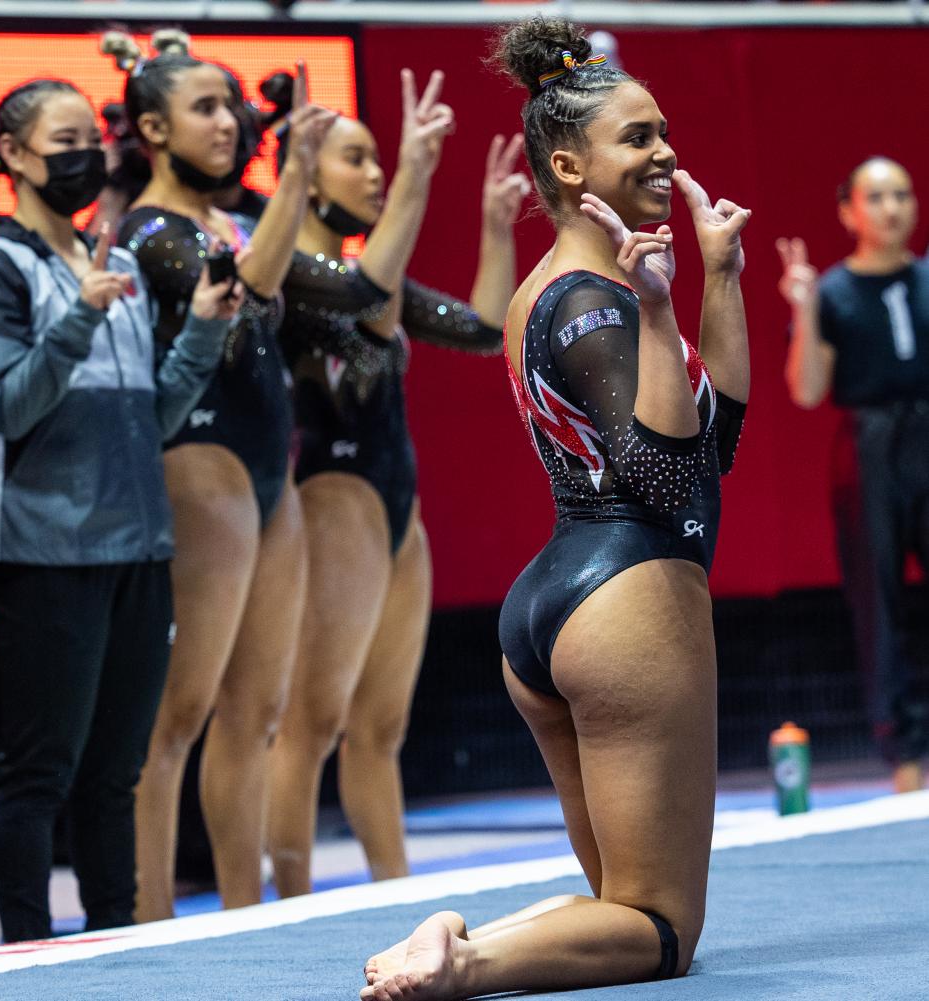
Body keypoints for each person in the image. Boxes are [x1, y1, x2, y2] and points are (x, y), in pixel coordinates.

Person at [362, 17, 750, 998]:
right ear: (571, 164)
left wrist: (722, 277)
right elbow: (669, 481)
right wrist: (659, 309)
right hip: (629, 593)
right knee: (658, 924)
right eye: (637, 136)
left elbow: (718, 442)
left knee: (616, 900)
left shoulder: (557, 292)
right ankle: (462, 963)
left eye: (663, 130)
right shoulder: (599, 304)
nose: (664, 150)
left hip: (558, 594)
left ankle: (456, 936)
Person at [0, 76, 240, 943]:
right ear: (12, 155)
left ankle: (118, 943)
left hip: (138, 548)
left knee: (114, 774)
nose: (87, 156)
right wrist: (76, 320)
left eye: (93, 138)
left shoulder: (114, 262)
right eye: (64, 140)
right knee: (41, 771)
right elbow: (8, 405)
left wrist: (199, 328)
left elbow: (149, 418)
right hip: (48, 554)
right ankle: (26, 954)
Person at [266, 73, 527, 897]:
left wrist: (493, 226)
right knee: (310, 721)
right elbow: (368, 303)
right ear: (305, 167)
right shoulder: (290, 276)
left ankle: (394, 889)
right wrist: (417, 176)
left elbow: (484, 331)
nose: (374, 172)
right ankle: (288, 903)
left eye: (381, 160)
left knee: (380, 727)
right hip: (331, 489)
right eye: (356, 158)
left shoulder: (359, 275)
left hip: (396, 505)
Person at [101, 28, 335, 920]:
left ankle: (252, 916)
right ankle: (152, 922)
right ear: (152, 130)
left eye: (229, 105)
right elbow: (244, 286)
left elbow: (335, 293)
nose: (228, 121)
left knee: (258, 712)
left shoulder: (233, 215)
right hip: (197, 465)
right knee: (176, 717)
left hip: (269, 470)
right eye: (204, 107)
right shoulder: (148, 229)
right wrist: (301, 174)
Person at [778, 158, 929, 793]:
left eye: (902, 194)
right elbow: (808, 390)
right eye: (877, 196)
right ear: (849, 211)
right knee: (878, 599)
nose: (892, 207)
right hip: (870, 444)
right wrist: (804, 309)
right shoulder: (834, 293)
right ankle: (906, 753)